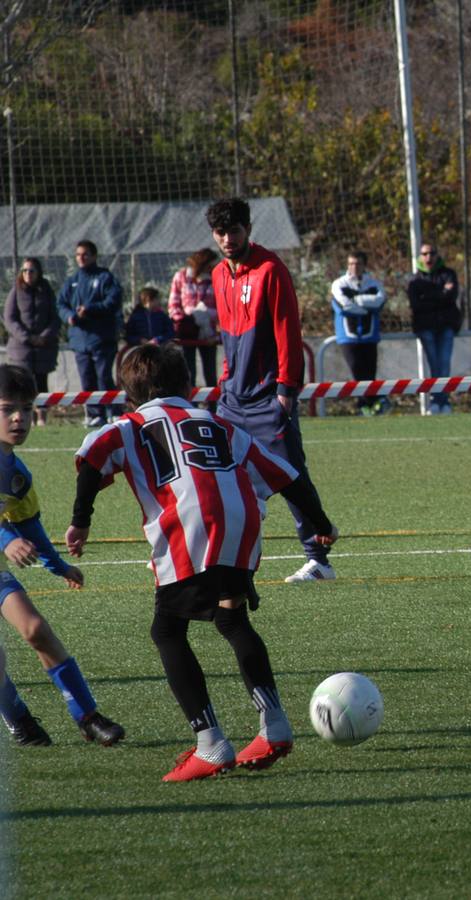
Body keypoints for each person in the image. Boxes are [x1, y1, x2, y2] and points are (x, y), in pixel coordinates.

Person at [65, 344, 339, 782]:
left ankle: (210, 743)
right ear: (189, 386)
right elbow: (286, 474)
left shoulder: (130, 424)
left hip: (187, 529)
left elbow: (92, 454)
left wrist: (80, 521)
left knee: (167, 630)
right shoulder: (218, 423)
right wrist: (321, 523)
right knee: (232, 622)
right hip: (242, 525)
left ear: (127, 394)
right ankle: (275, 726)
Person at [206, 197, 337, 584]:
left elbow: (287, 332)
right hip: (232, 397)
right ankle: (218, 552)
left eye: (234, 230)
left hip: (268, 397)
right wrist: (225, 381)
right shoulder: (217, 275)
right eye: (220, 232)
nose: (228, 238)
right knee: (219, 471)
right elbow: (227, 336)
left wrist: (286, 389)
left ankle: (319, 559)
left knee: (290, 475)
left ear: (248, 229)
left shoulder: (270, 270)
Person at [0, 365, 124, 748]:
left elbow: (30, 524)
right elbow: (14, 532)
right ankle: (18, 718)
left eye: (26, 408)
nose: (19, 417)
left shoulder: (16, 472)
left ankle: (87, 716)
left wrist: (60, 566)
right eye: (7, 409)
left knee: (36, 630)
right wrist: (6, 541)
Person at [56, 240, 124, 427]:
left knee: (104, 377)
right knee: (87, 379)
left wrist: (90, 309)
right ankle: (95, 414)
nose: (81, 258)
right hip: (79, 340)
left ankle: (113, 412)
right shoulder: (72, 282)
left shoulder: (104, 278)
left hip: (101, 338)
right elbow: (60, 304)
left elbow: (113, 300)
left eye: (85, 254)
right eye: (78, 254)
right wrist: (69, 316)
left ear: (94, 256)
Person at [4, 258, 60, 426]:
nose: (28, 274)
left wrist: (44, 336)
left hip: (43, 348)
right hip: (22, 349)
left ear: (38, 273)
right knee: (23, 384)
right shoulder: (16, 291)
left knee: (42, 383)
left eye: (31, 270)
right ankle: (25, 417)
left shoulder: (46, 290)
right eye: (25, 270)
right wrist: (27, 337)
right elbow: (9, 318)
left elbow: (55, 318)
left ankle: (41, 418)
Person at [330, 251, 387, 416]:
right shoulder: (339, 284)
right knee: (357, 370)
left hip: (370, 336)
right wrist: (366, 306)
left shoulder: (373, 283)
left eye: (358, 264)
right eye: (351, 264)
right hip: (348, 337)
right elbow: (343, 305)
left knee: (369, 373)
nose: (354, 267)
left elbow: (380, 301)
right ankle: (368, 404)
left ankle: (368, 406)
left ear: (364, 265)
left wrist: (357, 301)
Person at [407, 242, 461, 415]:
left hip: (446, 325)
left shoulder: (448, 274)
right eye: (424, 254)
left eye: (431, 253)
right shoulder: (416, 280)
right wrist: (440, 293)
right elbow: (416, 304)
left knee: (444, 364)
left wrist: (428, 296)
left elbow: (451, 295)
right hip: (426, 327)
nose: (428, 257)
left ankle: (442, 402)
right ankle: (436, 401)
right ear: (420, 257)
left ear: (437, 255)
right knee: (434, 364)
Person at [168, 248, 220, 389]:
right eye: (210, 264)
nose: (214, 267)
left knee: (210, 373)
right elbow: (174, 305)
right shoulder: (181, 277)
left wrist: (210, 319)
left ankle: (212, 405)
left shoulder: (216, 278)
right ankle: (189, 406)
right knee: (187, 372)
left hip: (208, 333)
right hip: (187, 332)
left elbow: (222, 307)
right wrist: (185, 321)